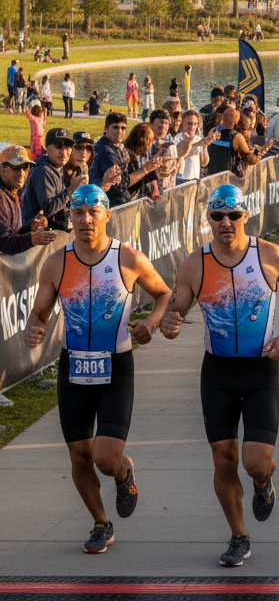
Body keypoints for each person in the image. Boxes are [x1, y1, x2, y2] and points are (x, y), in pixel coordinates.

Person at [160, 184, 279, 567]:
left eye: (233, 215)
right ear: (208, 220)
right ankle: (238, 535)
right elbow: (176, 310)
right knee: (223, 458)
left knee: (256, 462)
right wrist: (168, 322)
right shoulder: (193, 264)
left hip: (261, 370)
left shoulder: (270, 255)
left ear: (246, 215)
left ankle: (263, 484)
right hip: (217, 373)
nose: (226, 223)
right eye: (217, 216)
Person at [24, 184, 172, 555]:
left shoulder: (129, 259)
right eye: (78, 213)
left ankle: (123, 472)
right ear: (70, 217)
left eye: (94, 212)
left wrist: (151, 324)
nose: (85, 219)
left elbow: (164, 294)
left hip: (116, 366)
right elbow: (39, 312)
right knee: (79, 455)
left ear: (108, 215)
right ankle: (100, 524)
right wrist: (33, 327)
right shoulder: (57, 262)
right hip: (73, 366)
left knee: (105, 458)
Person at [21, 126, 86, 232]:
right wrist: (69, 192)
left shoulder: (58, 167)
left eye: (68, 147)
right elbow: (48, 209)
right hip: (35, 239)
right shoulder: (43, 170)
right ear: (47, 148)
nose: (64, 152)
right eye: (58, 147)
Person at [0, 144, 58, 254]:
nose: (21, 173)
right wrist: (32, 238)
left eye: (25, 167)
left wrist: (31, 228)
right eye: (16, 167)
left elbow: (13, 234)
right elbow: (4, 243)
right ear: (2, 169)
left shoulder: (15, 192)